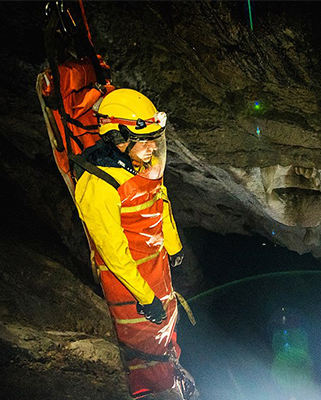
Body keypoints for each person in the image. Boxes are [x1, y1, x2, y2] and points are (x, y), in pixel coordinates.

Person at [72, 88, 195, 399]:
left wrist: (173, 245)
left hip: (155, 267)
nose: (153, 147)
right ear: (118, 137)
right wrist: (143, 296)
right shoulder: (99, 184)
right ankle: (150, 388)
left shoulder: (137, 164)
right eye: (145, 139)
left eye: (155, 138)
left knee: (165, 326)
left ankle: (169, 373)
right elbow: (111, 250)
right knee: (142, 339)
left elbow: (158, 199)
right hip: (129, 283)